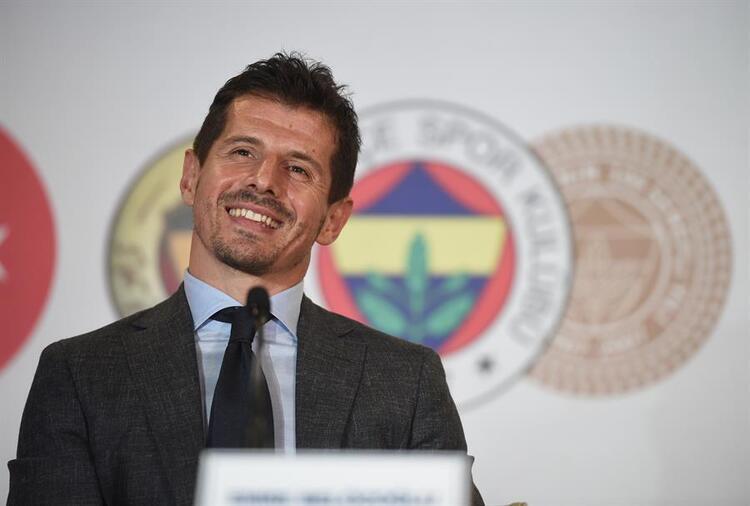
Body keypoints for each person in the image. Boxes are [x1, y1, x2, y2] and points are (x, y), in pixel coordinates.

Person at [8, 52, 484, 506]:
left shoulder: (405, 381)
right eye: (242, 151)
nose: (263, 180)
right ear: (191, 177)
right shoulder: (81, 374)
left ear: (333, 220)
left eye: (297, 168)